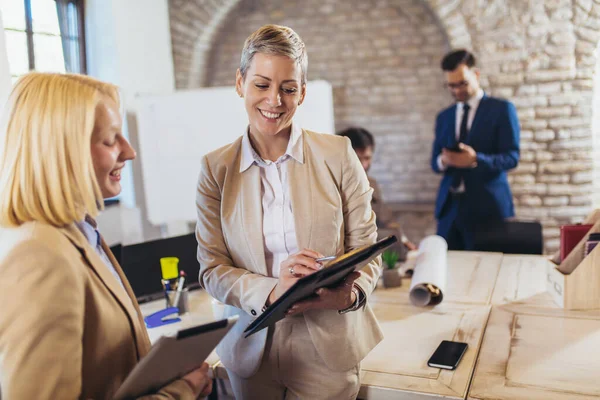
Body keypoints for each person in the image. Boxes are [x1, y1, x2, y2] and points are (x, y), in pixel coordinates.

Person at [195, 25, 383, 399]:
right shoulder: (215, 169)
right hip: (250, 346)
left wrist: (349, 296)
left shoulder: (339, 154)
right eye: (262, 84)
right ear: (240, 83)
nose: (274, 100)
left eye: (288, 88)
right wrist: (272, 292)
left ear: (302, 92)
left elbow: (367, 248)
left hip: (328, 343)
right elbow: (211, 269)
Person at [0, 73, 212, 399]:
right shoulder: (40, 256)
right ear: (65, 150)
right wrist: (179, 392)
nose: (129, 152)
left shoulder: (81, 234)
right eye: (111, 140)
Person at [430, 50, 520, 250]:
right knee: (445, 271)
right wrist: (443, 160)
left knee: (487, 272)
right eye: (451, 85)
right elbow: (434, 162)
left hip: (487, 209)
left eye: (462, 83)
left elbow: (512, 157)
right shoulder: (444, 116)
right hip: (449, 209)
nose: (456, 91)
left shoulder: (502, 109)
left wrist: (475, 160)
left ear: (476, 74)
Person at [337, 126, 417, 257]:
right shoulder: (332, 187)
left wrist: (403, 239)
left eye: (367, 158)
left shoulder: (371, 183)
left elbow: (386, 218)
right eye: (358, 159)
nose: (363, 165)